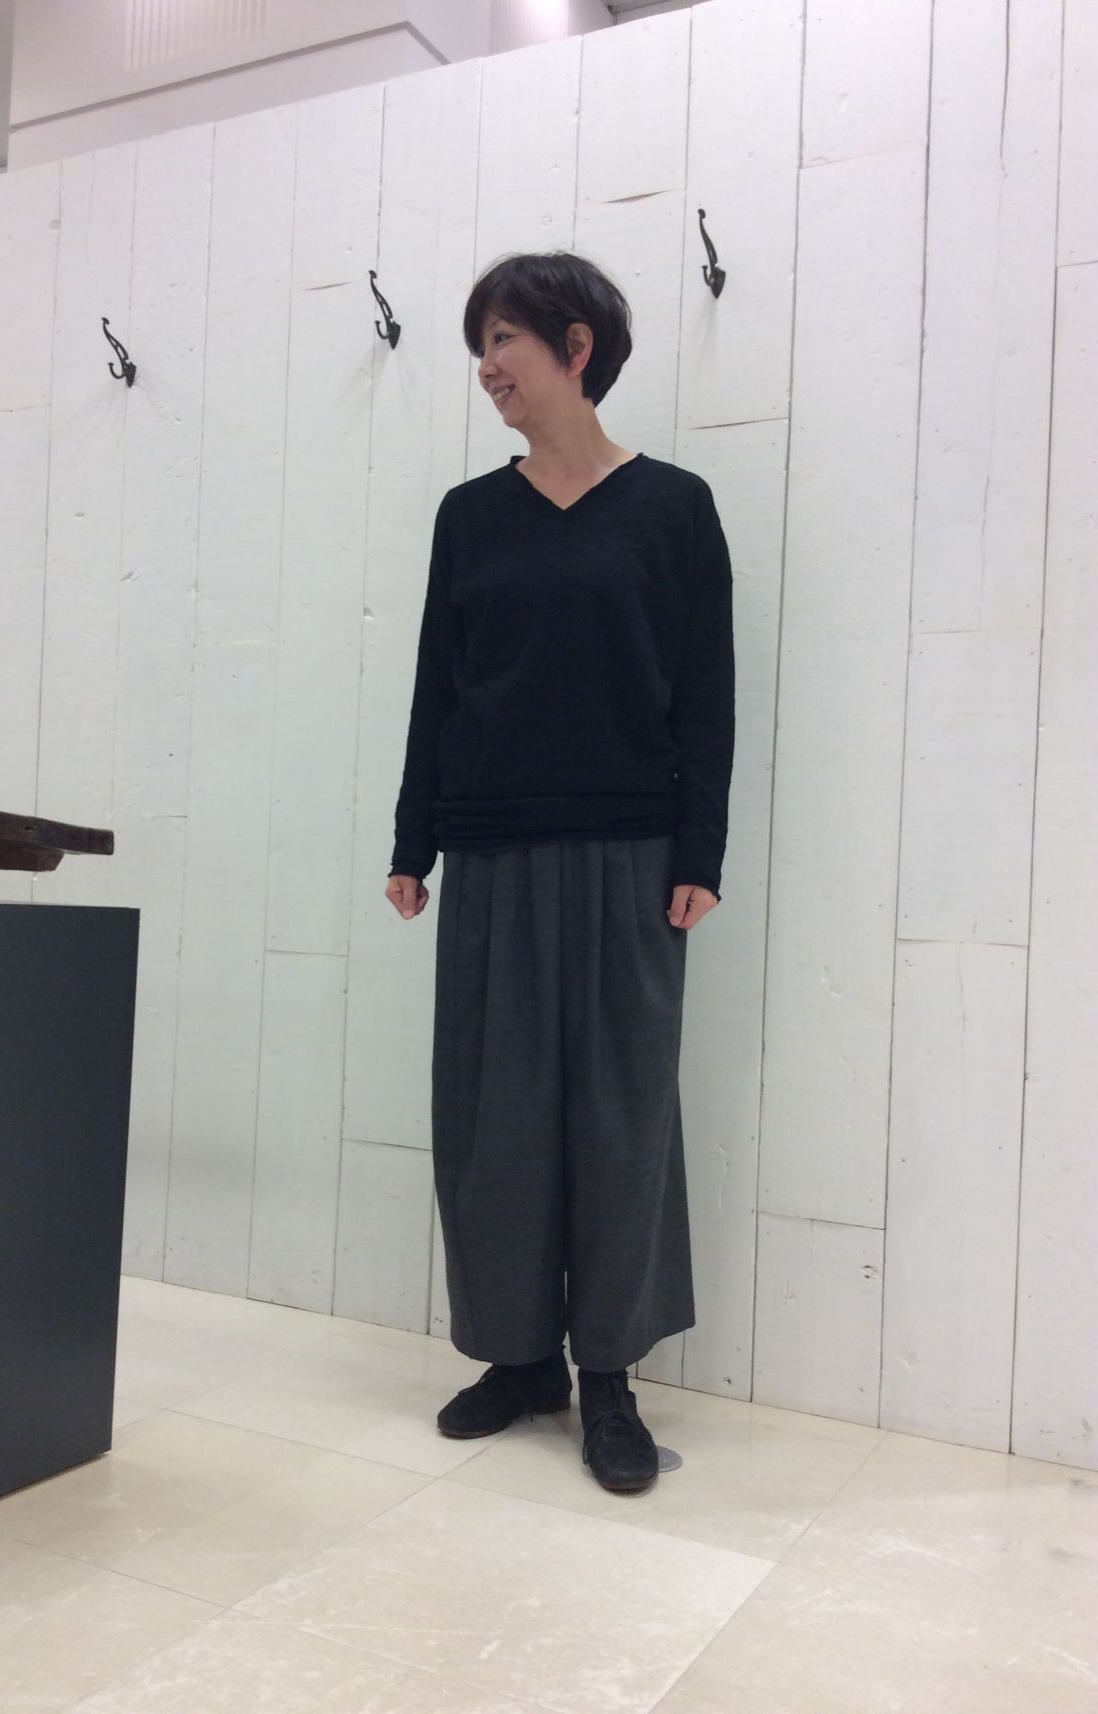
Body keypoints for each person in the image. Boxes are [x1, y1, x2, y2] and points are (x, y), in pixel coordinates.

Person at [384, 251, 735, 1495]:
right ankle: (519, 1356)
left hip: (632, 857)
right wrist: (412, 839)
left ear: (574, 347)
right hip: (491, 850)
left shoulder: (673, 508)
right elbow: (437, 688)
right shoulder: (468, 516)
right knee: (496, 1118)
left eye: (501, 340)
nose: (484, 367)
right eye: (476, 345)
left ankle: (609, 1378)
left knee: (619, 1118)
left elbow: (705, 696)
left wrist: (698, 850)